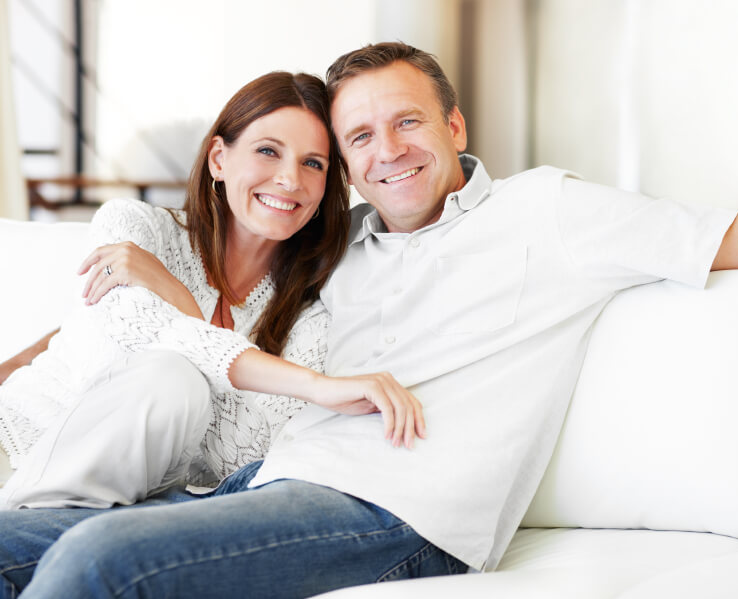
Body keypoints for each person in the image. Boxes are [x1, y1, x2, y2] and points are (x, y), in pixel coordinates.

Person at [2, 41, 738, 598]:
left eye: (408, 121)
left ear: (453, 127)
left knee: (101, 560)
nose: (388, 150)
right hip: (264, 485)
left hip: (398, 513)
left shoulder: (550, 209)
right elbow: (175, 335)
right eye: (359, 137)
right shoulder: (339, 247)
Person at [0, 70, 423, 510]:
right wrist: (312, 386)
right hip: (13, 446)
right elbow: (141, 329)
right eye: (267, 151)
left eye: (312, 163)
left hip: (109, 507)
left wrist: (169, 290)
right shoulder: (134, 228)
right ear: (219, 159)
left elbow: (234, 456)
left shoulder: (310, 316)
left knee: (175, 378)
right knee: (169, 377)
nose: (289, 179)